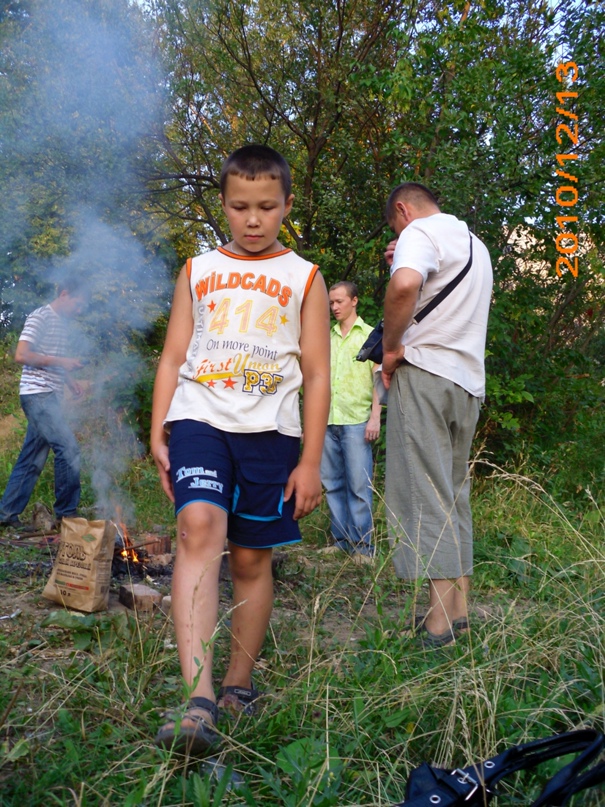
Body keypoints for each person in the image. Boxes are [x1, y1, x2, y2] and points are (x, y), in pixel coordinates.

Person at [151, 144, 330, 754]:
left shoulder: (305, 277)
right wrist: (159, 427)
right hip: (199, 417)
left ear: (286, 205)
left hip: (271, 433)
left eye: (267, 207)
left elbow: (318, 373)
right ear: (223, 204)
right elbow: (173, 356)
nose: (253, 220)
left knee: (252, 559)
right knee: (198, 528)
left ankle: (237, 683)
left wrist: (310, 461)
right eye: (239, 207)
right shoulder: (197, 269)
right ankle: (197, 701)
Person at [381, 182, 492, 648]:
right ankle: (458, 612)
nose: (398, 236)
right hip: (466, 385)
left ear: (403, 210)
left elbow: (405, 285)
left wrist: (390, 348)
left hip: (424, 374)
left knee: (425, 494)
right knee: (452, 495)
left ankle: (439, 625)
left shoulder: (418, 232)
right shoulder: (475, 244)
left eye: (395, 228)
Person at [0, 277, 87, 531]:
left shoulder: (61, 323)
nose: (79, 310)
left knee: (32, 457)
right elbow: (21, 354)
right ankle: (67, 515)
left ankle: (6, 513)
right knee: (68, 449)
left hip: (48, 395)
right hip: (37, 395)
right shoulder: (40, 317)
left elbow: (55, 358)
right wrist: (62, 362)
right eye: (78, 304)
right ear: (64, 293)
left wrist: (70, 381)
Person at [320, 281, 381, 561]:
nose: (334, 307)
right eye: (331, 303)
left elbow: (379, 380)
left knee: (359, 486)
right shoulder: (327, 337)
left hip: (357, 420)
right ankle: (341, 540)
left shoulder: (369, 336)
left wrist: (375, 418)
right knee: (333, 483)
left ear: (354, 301)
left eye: (339, 301)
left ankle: (363, 548)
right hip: (328, 419)